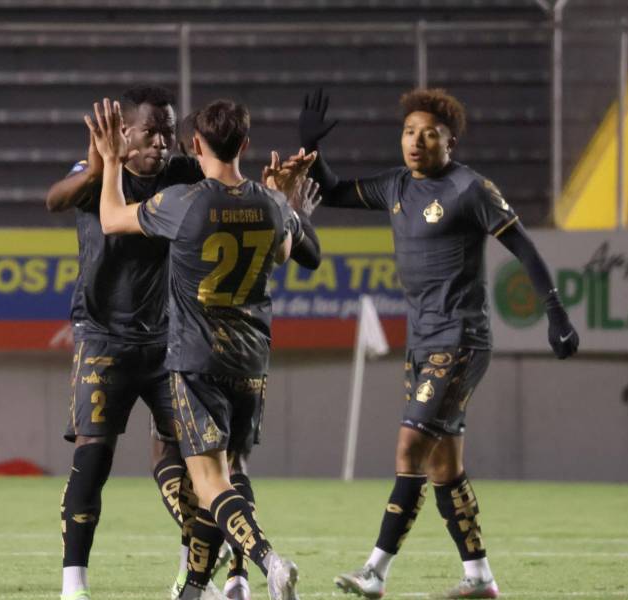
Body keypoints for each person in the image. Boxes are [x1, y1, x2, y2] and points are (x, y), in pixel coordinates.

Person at [292, 88, 579, 599]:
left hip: (461, 339)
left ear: (451, 140)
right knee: (444, 467)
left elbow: (524, 248)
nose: (416, 142)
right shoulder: (397, 186)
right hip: (421, 342)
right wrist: (312, 151)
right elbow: (332, 191)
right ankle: (480, 579)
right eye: (408, 132)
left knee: (410, 446)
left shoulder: (471, 189)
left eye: (429, 133)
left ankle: (376, 570)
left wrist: (555, 313)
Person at [86, 97, 314, 600]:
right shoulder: (270, 204)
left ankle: (266, 561)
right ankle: (198, 586)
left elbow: (110, 219)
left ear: (195, 144)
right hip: (252, 360)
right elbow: (284, 251)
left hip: (196, 359)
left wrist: (107, 160)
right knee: (230, 474)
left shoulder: (184, 202)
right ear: (246, 146)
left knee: (208, 484)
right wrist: (285, 196)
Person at [46, 84, 205, 600]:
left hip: (169, 340)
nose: (162, 142)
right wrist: (98, 167)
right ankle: (74, 583)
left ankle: (193, 564)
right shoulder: (94, 175)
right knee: (93, 458)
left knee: (188, 462)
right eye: (151, 131)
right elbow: (54, 200)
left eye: (168, 131)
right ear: (123, 134)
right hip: (103, 337)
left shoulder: (183, 174)